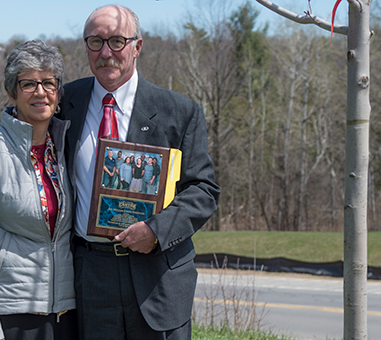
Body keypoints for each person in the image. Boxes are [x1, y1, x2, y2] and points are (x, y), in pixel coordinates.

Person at [59, 5, 220, 340]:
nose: (106, 53)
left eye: (117, 41)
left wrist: (157, 230)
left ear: (137, 46)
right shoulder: (64, 103)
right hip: (91, 274)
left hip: (156, 276)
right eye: (95, 42)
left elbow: (203, 190)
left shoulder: (181, 112)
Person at [0, 40, 77, 340]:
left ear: (58, 92)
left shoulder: (66, 151)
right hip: (13, 317)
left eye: (48, 82)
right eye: (28, 83)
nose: (40, 92)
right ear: (11, 91)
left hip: (68, 315)